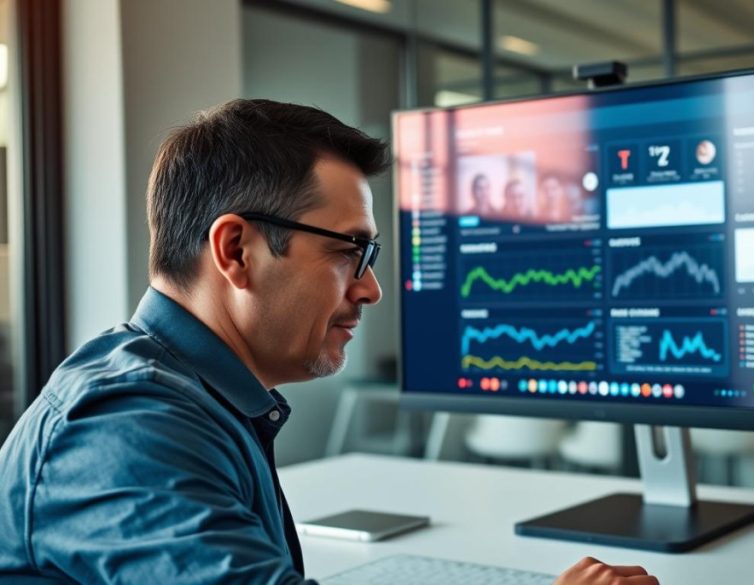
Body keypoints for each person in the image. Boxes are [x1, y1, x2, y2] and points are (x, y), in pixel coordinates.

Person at [0, 99, 657, 585]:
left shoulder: (191, 398)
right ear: (236, 250)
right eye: (351, 251)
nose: (370, 290)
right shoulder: (123, 425)